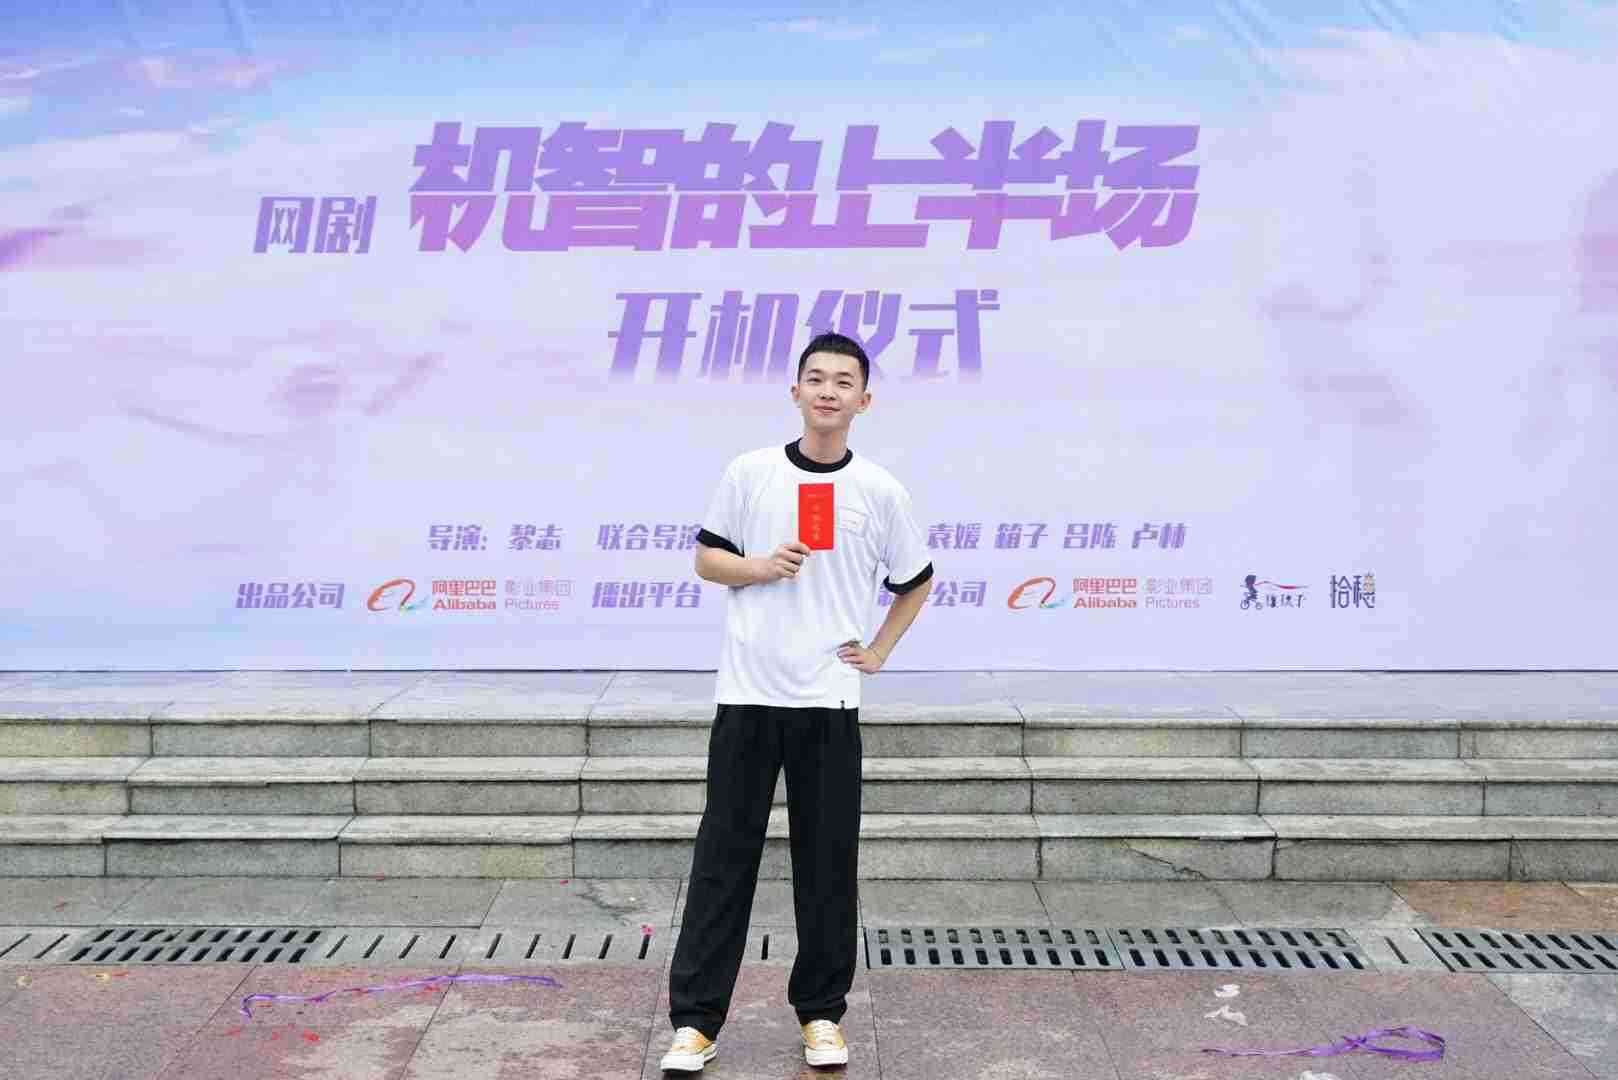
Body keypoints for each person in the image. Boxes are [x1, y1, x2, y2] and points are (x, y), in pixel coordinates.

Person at [659, 331, 934, 1073]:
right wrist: (757, 566)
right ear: (795, 391)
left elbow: (916, 580)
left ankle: (821, 1014)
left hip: (828, 701)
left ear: (864, 400)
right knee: (723, 860)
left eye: (843, 382)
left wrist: (879, 650)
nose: (828, 391)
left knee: (827, 864)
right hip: (748, 694)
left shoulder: (879, 490)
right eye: (816, 378)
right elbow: (706, 558)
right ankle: (695, 1023)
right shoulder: (750, 472)